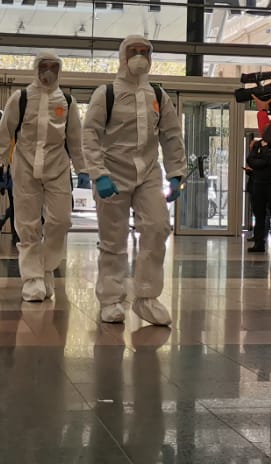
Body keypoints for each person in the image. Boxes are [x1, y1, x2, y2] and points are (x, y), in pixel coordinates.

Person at [82, 35, 187, 326]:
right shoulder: (106, 94)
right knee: (113, 239)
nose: (140, 56)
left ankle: (147, 297)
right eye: (134, 51)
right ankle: (111, 299)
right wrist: (98, 173)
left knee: (157, 228)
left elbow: (171, 134)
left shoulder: (158, 95)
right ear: (122, 56)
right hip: (112, 173)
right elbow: (89, 134)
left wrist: (177, 171)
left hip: (149, 174)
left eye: (145, 51)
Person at [0, 51, 85, 303]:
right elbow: (3, 134)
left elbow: (76, 139)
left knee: (61, 221)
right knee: (27, 223)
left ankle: (46, 267)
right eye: (45, 66)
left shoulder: (67, 101)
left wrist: (83, 169)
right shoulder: (20, 98)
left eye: (55, 67)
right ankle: (32, 278)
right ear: (36, 68)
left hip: (58, 168)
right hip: (24, 167)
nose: (49, 71)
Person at [246, 119, 271, 254]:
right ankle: (259, 243)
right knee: (259, 215)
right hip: (258, 184)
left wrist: (264, 153)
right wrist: (264, 159)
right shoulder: (257, 145)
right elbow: (251, 160)